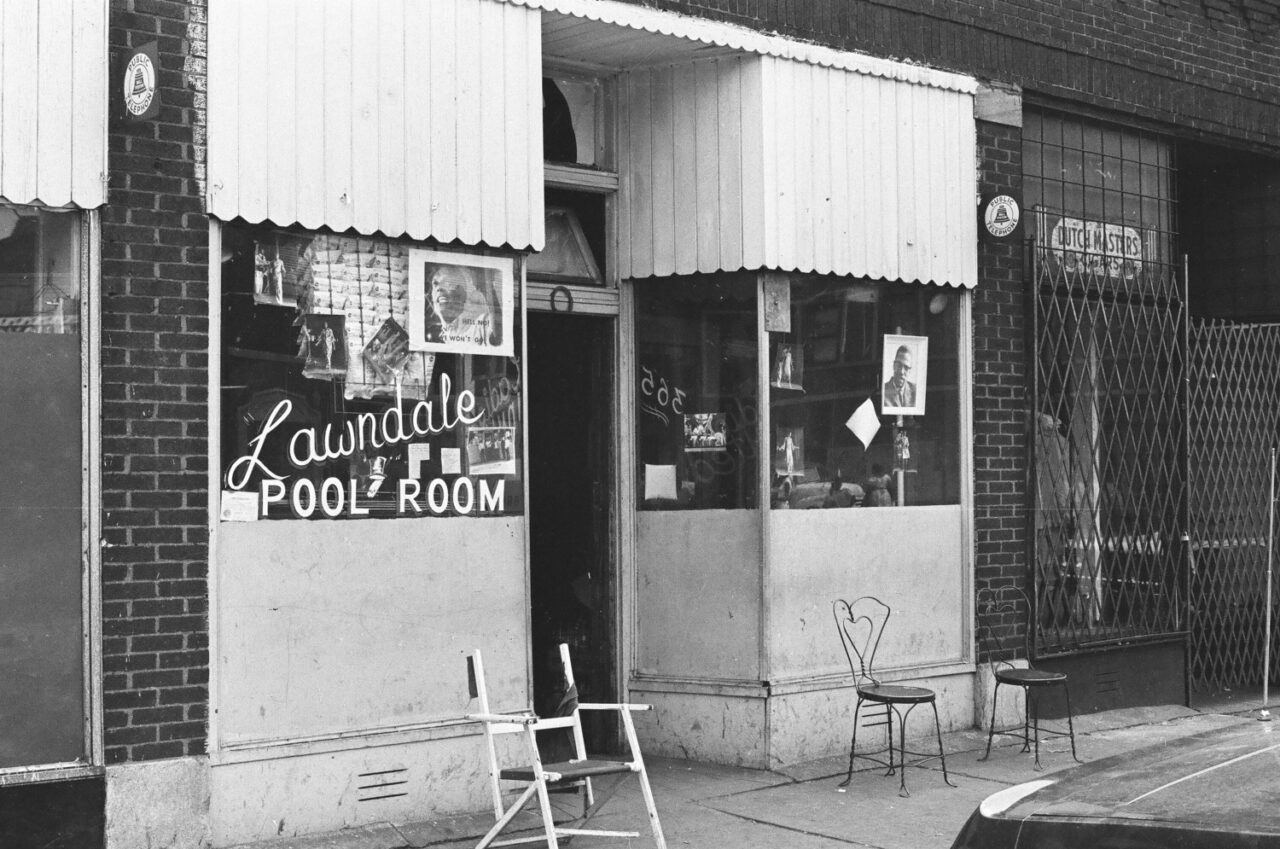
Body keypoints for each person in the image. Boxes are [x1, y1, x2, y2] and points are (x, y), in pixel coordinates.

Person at [423, 264, 500, 349]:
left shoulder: (482, 325)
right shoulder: (440, 337)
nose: (439, 288)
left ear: (462, 294)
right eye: (435, 283)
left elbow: (497, 334)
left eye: (447, 282)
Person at [883, 344, 917, 409]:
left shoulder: (916, 391)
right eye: (899, 365)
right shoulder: (883, 391)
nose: (901, 372)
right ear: (893, 366)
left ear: (910, 371)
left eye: (906, 367)